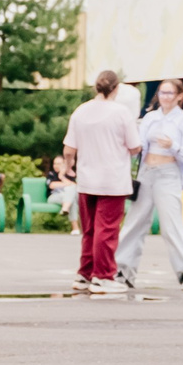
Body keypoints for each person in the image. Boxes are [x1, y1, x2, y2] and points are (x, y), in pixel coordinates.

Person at [115, 78, 183, 287]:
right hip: (147, 171)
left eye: (169, 93)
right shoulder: (150, 118)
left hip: (168, 173)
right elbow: (138, 146)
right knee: (134, 223)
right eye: (162, 93)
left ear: (179, 96)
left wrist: (173, 146)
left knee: (171, 226)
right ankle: (123, 270)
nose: (164, 97)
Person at [61, 70, 140, 292]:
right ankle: (103, 276)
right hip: (113, 180)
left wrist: (69, 168)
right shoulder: (121, 113)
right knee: (107, 230)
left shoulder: (81, 111)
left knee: (89, 230)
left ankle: (84, 274)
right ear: (115, 88)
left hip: (86, 180)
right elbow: (134, 147)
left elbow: (68, 149)